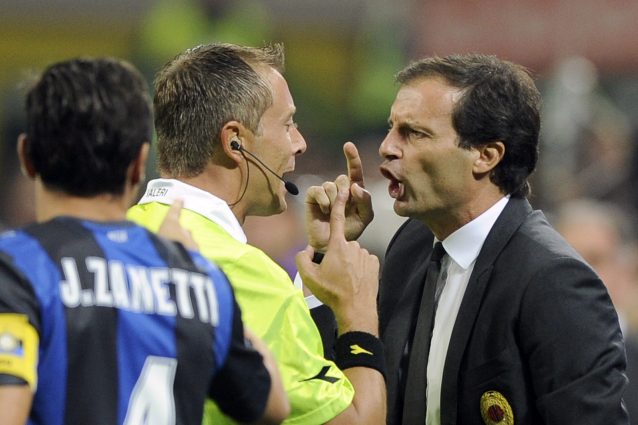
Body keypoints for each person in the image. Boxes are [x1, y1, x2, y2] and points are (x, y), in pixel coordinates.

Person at [306, 54, 628, 424]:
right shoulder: (411, 246)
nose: (387, 147)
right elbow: (342, 389)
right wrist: (330, 250)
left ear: (486, 156)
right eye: (392, 128)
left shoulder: (553, 282)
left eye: (414, 133)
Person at [0, 57, 289, 425]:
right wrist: (194, 272)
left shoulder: (18, 267)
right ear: (139, 165)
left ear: (27, 158)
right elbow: (272, 404)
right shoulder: (200, 281)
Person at [127, 43, 386, 424]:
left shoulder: (114, 238)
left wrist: (321, 259)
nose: (300, 142)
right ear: (235, 141)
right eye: (288, 124)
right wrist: (357, 311)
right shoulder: (243, 275)